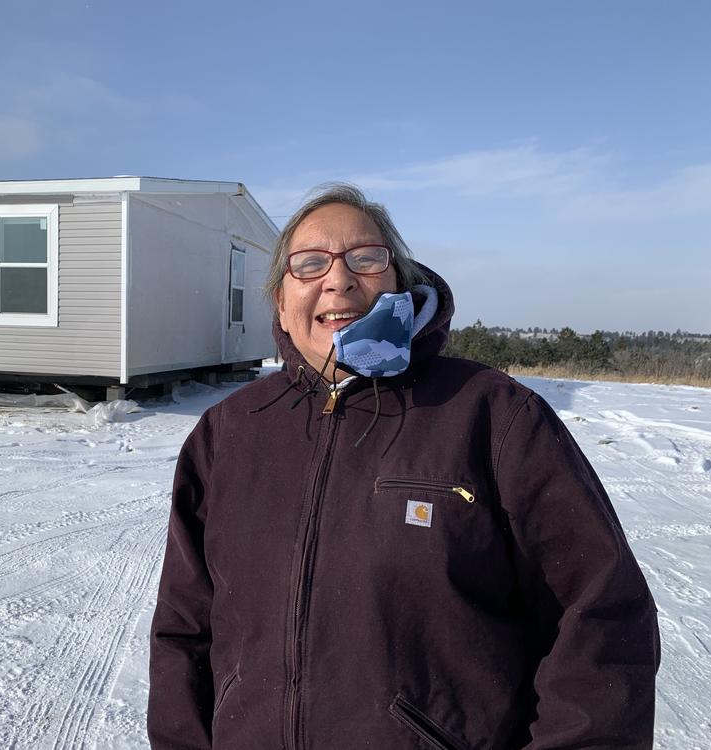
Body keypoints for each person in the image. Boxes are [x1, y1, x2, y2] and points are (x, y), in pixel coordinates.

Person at [148, 184, 660, 749]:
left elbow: (600, 615)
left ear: (402, 286)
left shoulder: (494, 416)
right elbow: (184, 631)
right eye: (309, 263)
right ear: (280, 303)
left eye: (366, 259)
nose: (338, 280)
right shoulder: (228, 432)